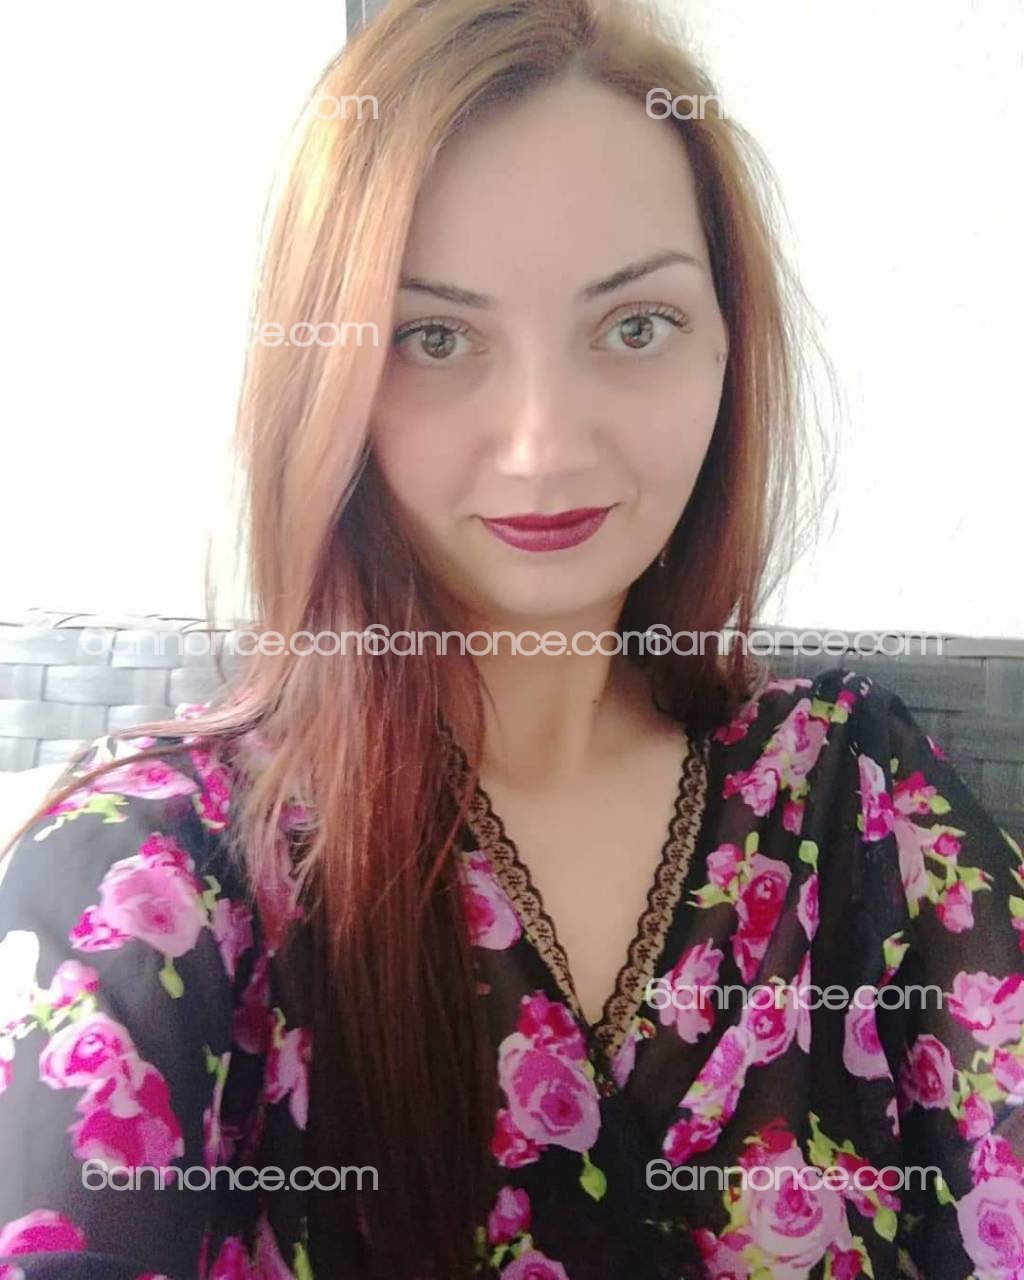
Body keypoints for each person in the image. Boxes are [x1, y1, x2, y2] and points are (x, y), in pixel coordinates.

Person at [2, 0, 1022, 1276]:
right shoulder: (156, 880)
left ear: (727, 343)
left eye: (635, 325)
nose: (544, 443)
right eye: (434, 337)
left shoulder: (858, 798)